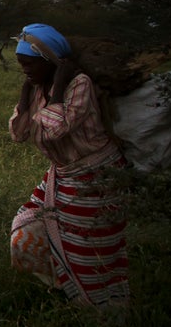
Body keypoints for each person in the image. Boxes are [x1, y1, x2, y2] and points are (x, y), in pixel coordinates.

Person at [9, 23, 129, 310]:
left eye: (29, 64)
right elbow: (18, 134)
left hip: (96, 174)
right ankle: (67, 287)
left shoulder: (79, 84)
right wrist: (26, 95)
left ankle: (101, 310)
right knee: (24, 230)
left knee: (88, 249)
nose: (24, 69)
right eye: (21, 64)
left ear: (50, 61)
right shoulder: (37, 87)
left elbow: (55, 129)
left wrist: (59, 88)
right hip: (62, 173)